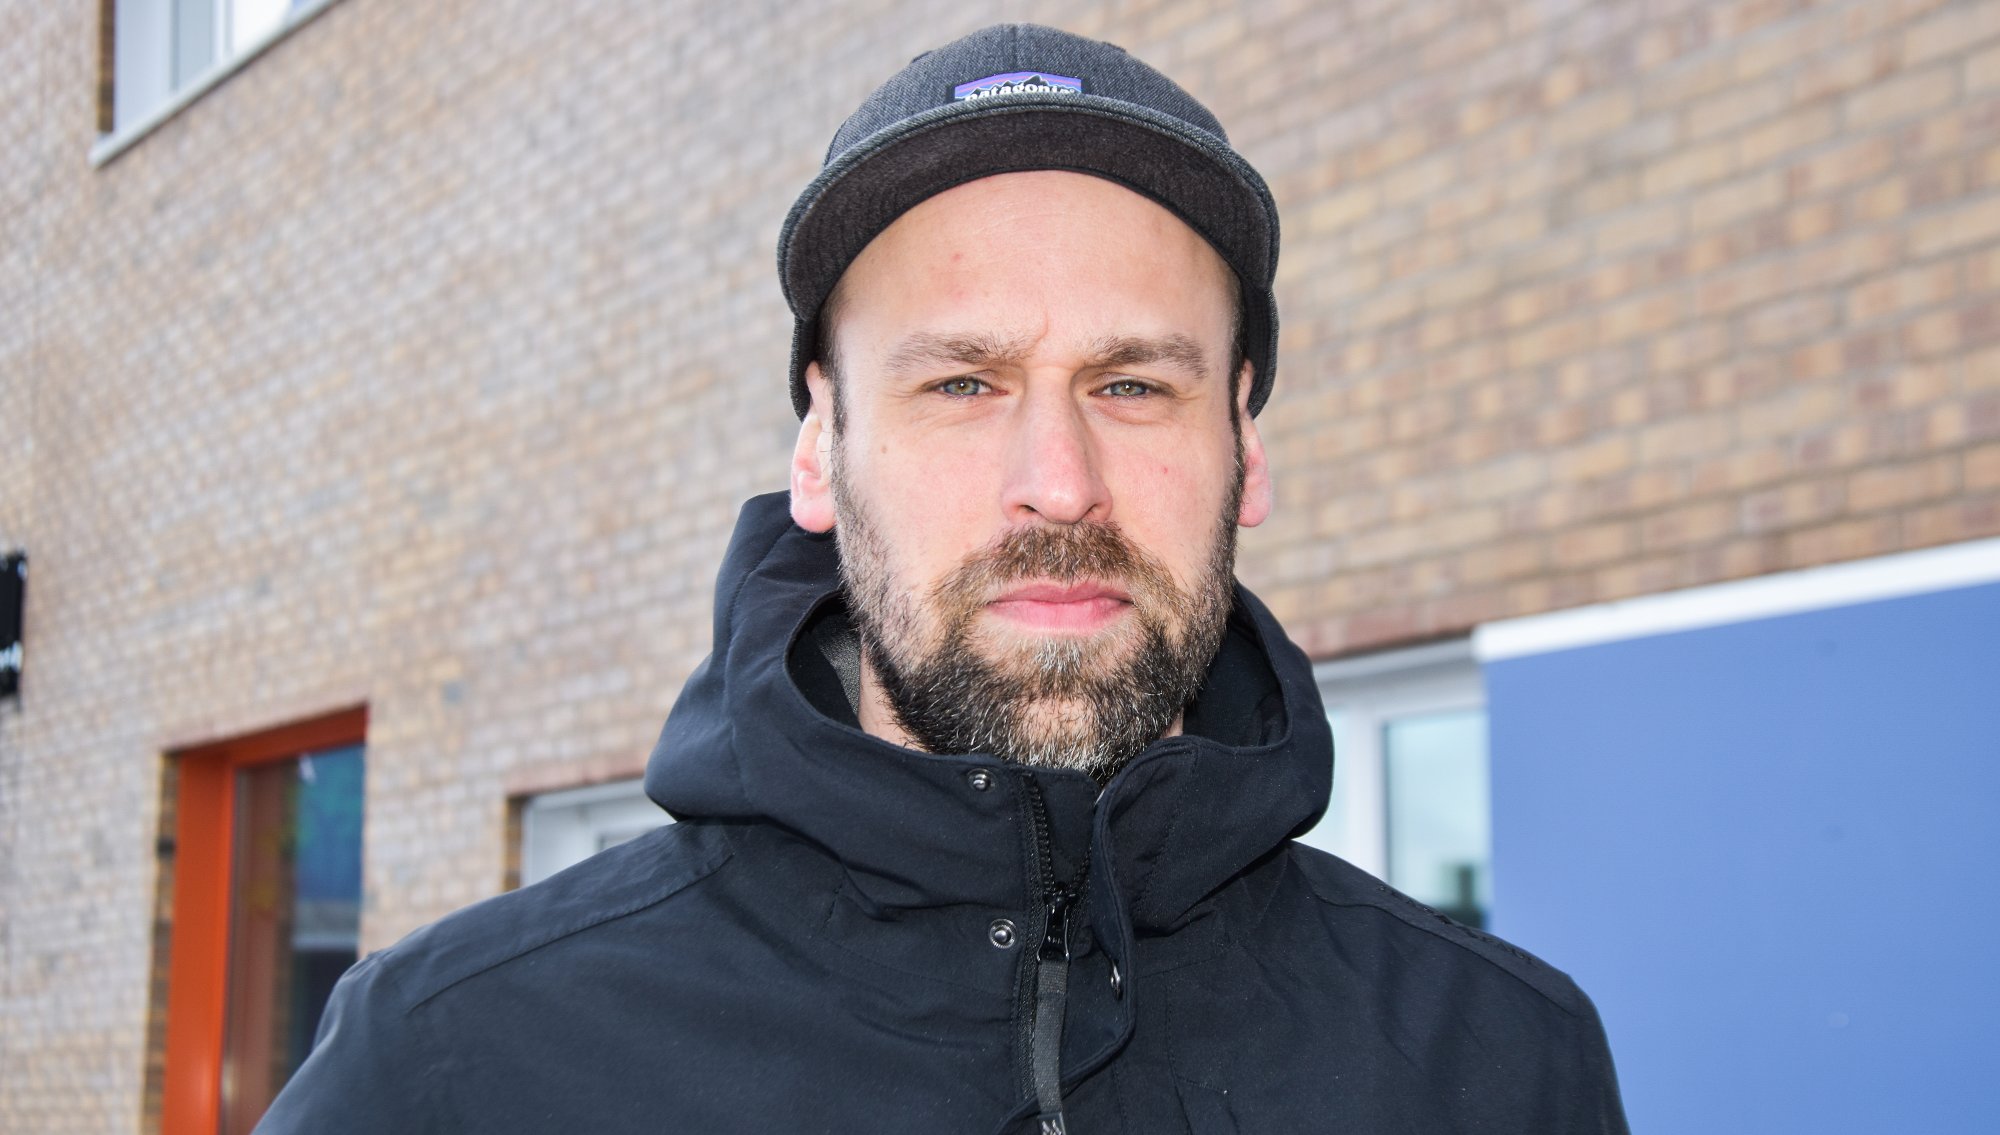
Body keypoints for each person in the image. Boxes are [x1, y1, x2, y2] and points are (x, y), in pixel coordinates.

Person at [258, 24, 1627, 1134]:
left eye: (1134, 384)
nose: (1060, 483)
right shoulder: (455, 1065)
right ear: (820, 447)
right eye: (963, 383)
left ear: (1245, 449)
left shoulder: (1501, 1063)